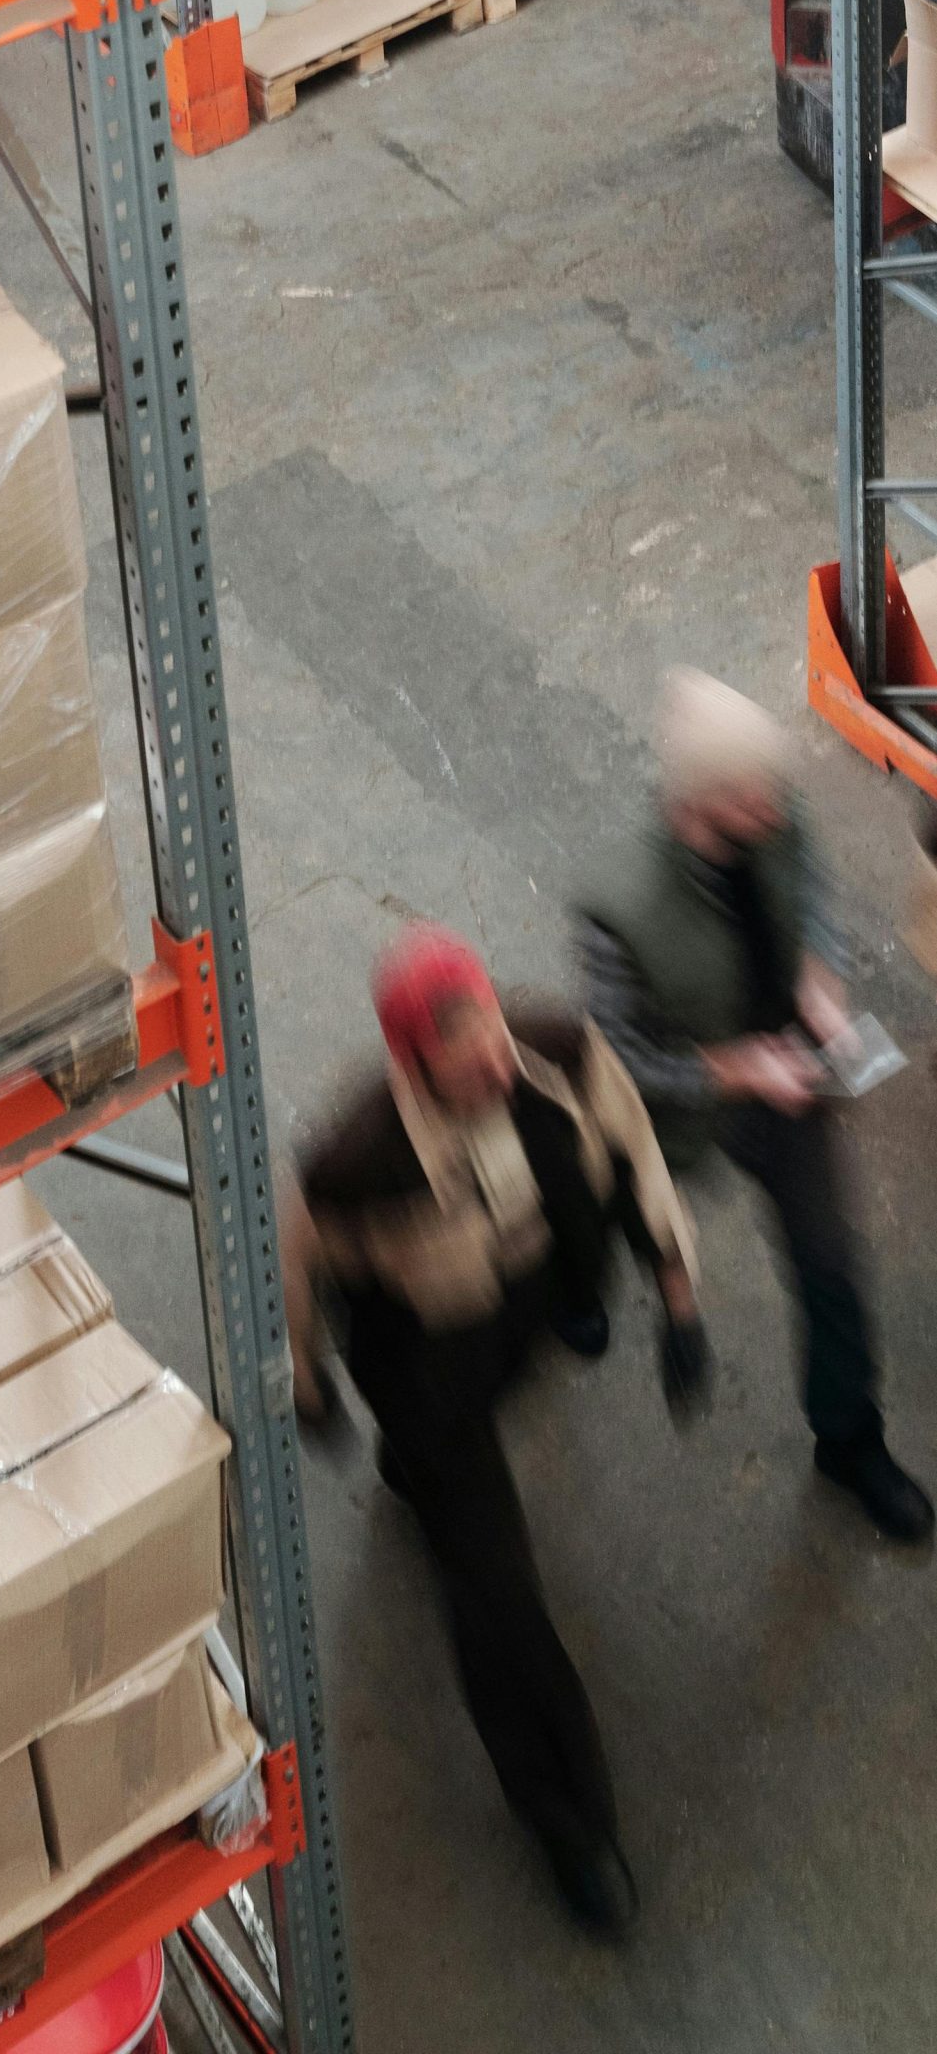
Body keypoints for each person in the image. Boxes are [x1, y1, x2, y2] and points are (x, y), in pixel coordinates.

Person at [280, 926, 709, 1940]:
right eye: (461, 1056)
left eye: (491, 1036)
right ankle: (567, 1821)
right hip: (430, 1365)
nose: (492, 1063)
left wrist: (679, 1297)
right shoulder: (357, 1162)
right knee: (496, 1602)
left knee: (578, 1209)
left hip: (527, 1299)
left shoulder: (553, 1046)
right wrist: (308, 1384)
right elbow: (293, 1271)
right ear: (411, 1063)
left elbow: (634, 1148)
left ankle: (431, 1461)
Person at [576, 668, 933, 1547]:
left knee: (829, 1264)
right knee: (600, 1207)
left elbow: (809, 892)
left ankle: (848, 1439)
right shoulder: (615, 907)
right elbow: (619, 1059)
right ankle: (571, 1289)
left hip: (783, 1079)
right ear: (698, 807)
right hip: (681, 1103)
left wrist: (817, 974)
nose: (777, 810)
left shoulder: (773, 815)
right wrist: (732, 1072)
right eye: (752, 800)